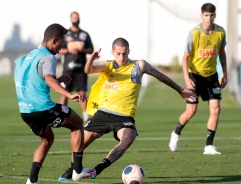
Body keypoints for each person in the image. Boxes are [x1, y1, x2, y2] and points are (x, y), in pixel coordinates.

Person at [57, 37, 197, 181]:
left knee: (128, 139)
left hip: (124, 117)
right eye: (118, 54)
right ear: (112, 52)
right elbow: (88, 70)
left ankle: (97, 169)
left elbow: (161, 76)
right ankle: (73, 169)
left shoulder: (139, 65)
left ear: (129, 51)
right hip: (103, 114)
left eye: (124, 53)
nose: (121, 57)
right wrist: (91, 58)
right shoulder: (108, 65)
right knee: (79, 143)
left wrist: (180, 90)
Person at [13, 23, 95, 184]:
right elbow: (48, 79)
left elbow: (34, 79)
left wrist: (58, 80)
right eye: (61, 42)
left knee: (47, 139)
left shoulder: (28, 56)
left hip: (25, 110)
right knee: (77, 123)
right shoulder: (48, 57)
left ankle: (32, 180)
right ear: (53, 40)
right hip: (43, 108)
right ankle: (77, 170)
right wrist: (68, 95)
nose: (62, 47)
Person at [168, 3, 227, 155]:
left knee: (216, 109)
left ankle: (209, 146)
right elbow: (185, 58)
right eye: (206, 15)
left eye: (211, 15)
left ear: (215, 15)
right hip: (195, 76)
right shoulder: (194, 33)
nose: (209, 18)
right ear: (201, 16)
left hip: (212, 76)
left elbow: (222, 53)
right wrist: (187, 79)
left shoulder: (220, 32)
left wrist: (224, 74)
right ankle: (176, 133)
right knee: (191, 111)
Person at [58, 11, 94, 123]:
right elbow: (59, 49)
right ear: (70, 19)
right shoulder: (65, 35)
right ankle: (60, 115)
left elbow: (91, 49)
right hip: (68, 69)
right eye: (73, 18)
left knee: (82, 92)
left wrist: (82, 49)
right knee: (64, 92)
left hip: (81, 68)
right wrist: (69, 50)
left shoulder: (84, 34)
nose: (75, 19)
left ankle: (86, 117)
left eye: (77, 17)